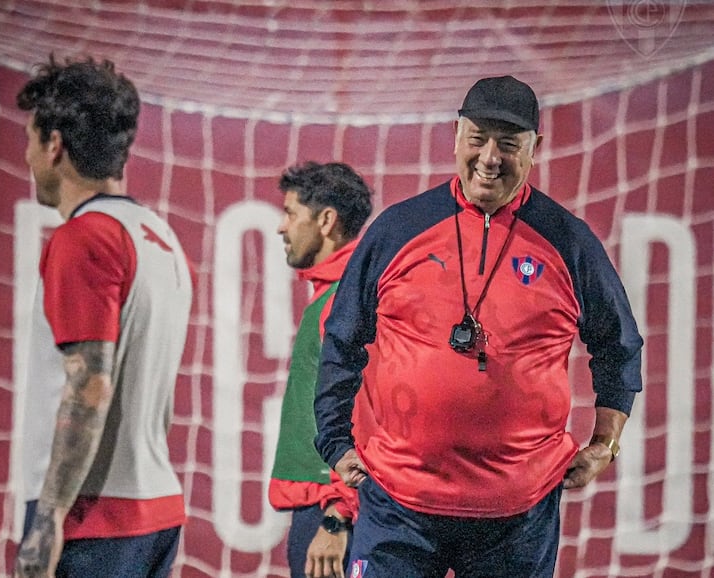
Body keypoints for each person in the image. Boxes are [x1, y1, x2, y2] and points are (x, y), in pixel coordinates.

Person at [313, 75, 644, 578]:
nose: (490, 157)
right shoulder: (398, 229)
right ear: (455, 137)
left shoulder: (568, 241)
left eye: (508, 145)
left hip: (518, 515)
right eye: (477, 139)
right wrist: (335, 443)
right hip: (398, 505)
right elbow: (341, 338)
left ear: (534, 150)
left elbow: (619, 346)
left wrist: (605, 444)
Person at [13, 55, 193, 578]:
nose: (27, 156)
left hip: (91, 519)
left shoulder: (84, 238)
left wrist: (46, 523)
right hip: (155, 509)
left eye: (30, 139)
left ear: (54, 145)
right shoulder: (160, 237)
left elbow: (90, 386)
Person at [269, 161, 373, 578]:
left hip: (335, 513)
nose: (281, 226)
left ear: (326, 220)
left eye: (291, 213)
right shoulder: (336, 291)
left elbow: (365, 410)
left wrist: (337, 513)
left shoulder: (345, 297)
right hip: (329, 505)